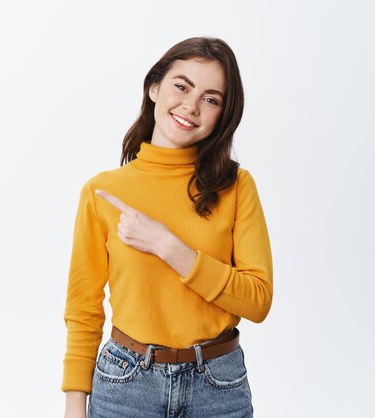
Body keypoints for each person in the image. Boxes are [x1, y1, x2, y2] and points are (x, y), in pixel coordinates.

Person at [61, 36, 273, 418]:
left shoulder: (237, 187)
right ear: (154, 87)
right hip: (125, 386)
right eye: (182, 86)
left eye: (211, 99)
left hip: (218, 387)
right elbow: (83, 309)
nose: (191, 106)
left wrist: (169, 247)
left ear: (223, 114)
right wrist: (75, 405)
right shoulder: (102, 192)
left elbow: (257, 301)